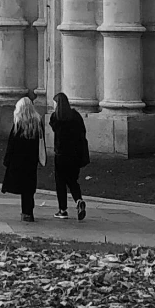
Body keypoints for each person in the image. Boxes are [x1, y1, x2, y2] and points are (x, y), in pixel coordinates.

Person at [1, 95, 46, 222]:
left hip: (19, 160)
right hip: (32, 160)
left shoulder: (18, 124)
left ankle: (25, 212)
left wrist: (7, 159)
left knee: (22, 185)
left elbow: (12, 143)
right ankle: (29, 210)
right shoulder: (37, 123)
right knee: (29, 186)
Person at [49, 90, 89, 220]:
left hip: (61, 155)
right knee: (72, 180)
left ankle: (62, 209)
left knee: (60, 182)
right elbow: (82, 133)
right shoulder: (76, 116)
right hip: (75, 155)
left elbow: (53, 127)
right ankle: (78, 200)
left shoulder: (56, 118)